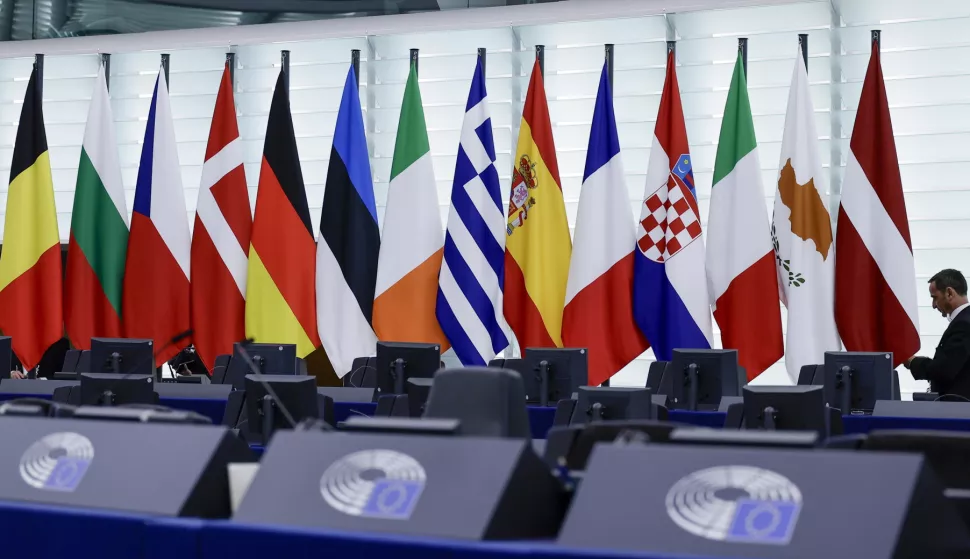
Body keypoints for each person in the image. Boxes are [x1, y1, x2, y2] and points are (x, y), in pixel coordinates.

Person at [904, 269, 970, 400]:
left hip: (958, 407)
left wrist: (912, 362)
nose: (933, 305)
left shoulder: (963, 324)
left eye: (935, 298)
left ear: (949, 293)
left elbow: (944, 370)